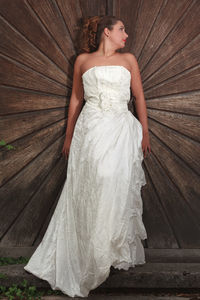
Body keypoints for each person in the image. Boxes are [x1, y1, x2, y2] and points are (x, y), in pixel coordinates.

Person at [24, 15, 151, 298]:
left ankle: (105, 250)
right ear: (107, 32)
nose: (126, 35)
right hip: (91, 129)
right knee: (90, 187)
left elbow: (139, 97)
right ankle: (88, 251)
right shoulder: (82, 61)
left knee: (114, 184)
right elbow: (76, 99)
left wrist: (145, 131)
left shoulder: (129, 60)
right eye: (122, 29)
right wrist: (69, 135)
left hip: (119, 128)